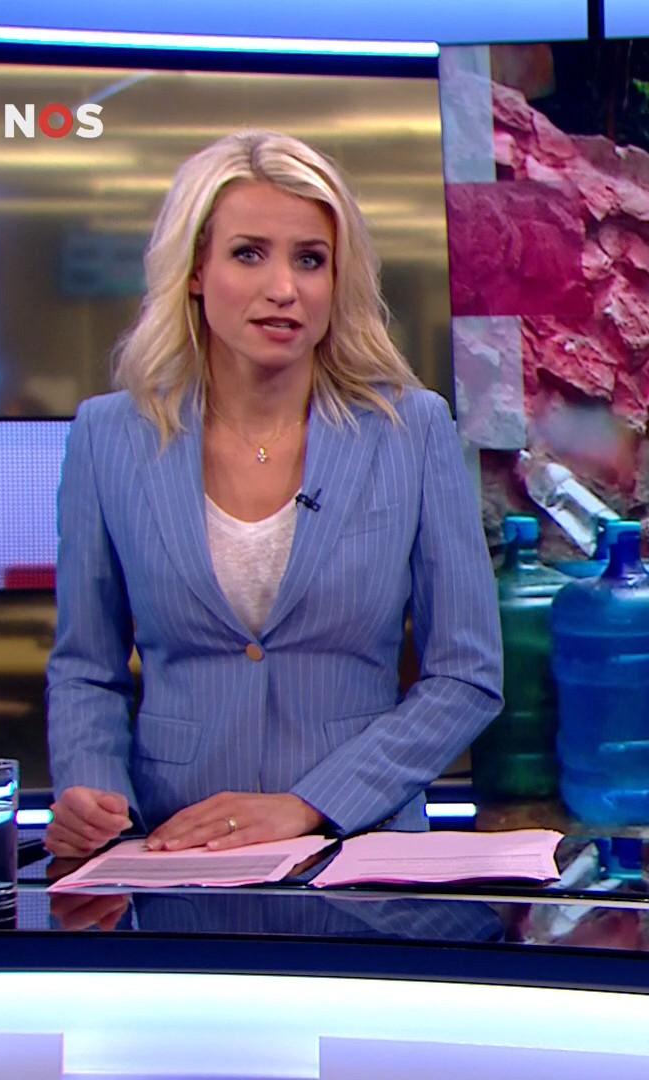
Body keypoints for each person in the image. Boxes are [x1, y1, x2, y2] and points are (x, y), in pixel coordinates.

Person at [43, 131, 504, 859]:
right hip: (173, 848)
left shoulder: (411, 430)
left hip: (360, 850)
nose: (284, 288)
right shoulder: (109, 437)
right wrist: (91, 789)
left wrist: (309, 805)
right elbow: (85, 669)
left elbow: (465, 674)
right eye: (249, 253)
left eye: (310, 259)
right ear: (196, 270)